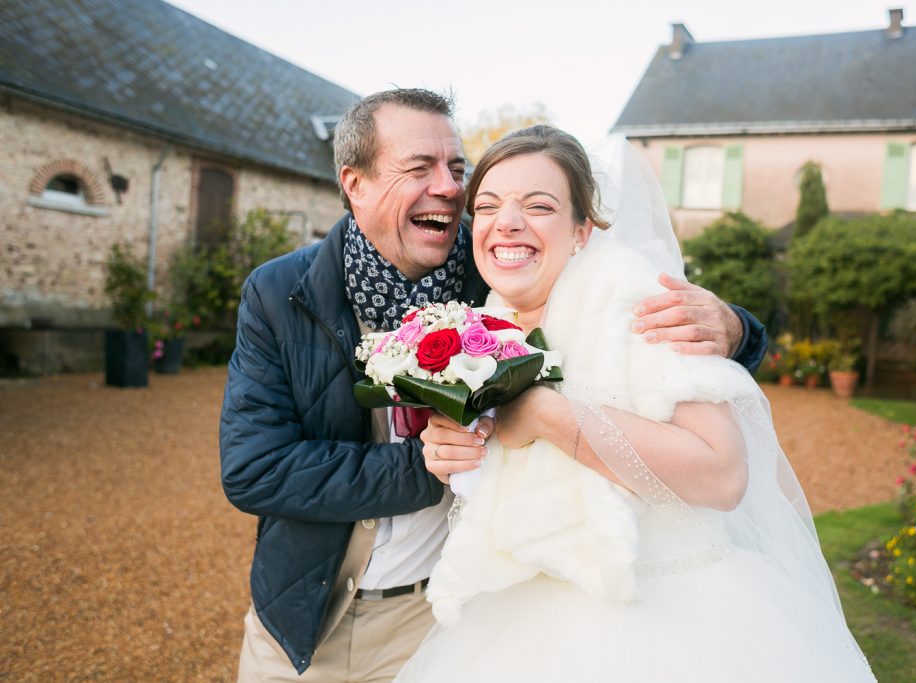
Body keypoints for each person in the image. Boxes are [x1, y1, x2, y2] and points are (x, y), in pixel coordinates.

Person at [219, 89, 768, 682]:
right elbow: (254, 468)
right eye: (419, 167)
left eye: (457, 169)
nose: (451, 188)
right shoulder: (280, 292)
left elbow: (619, 296)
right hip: (300, 618)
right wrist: (425, 466)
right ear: (355, 182)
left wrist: (737, 327)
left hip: (436, 622)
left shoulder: (489, 267)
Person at [398, 126, 875, 682]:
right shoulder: (488, 325)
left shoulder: (641, 303)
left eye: (539, 205)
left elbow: (723, 475)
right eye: (488, 205)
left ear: (582, 230)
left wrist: (548, 416)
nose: (507, 221)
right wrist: (452, 447)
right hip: (519, 609)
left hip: (667, 618)